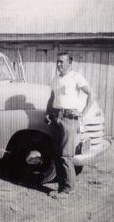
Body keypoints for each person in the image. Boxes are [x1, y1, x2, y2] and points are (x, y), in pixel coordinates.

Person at [46, 52, 95, 198]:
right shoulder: (55, 79)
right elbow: (52, 98)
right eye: (57, 62)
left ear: (69, 62)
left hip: (69, 118)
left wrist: (83, 112)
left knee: (66, 155)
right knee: (56, 154)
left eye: (61, 62)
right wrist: (47, 113)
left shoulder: (75, 77)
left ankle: (69, 189)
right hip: (56, 117)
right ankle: (62, 187)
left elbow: (91, 93)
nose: (59, 64)